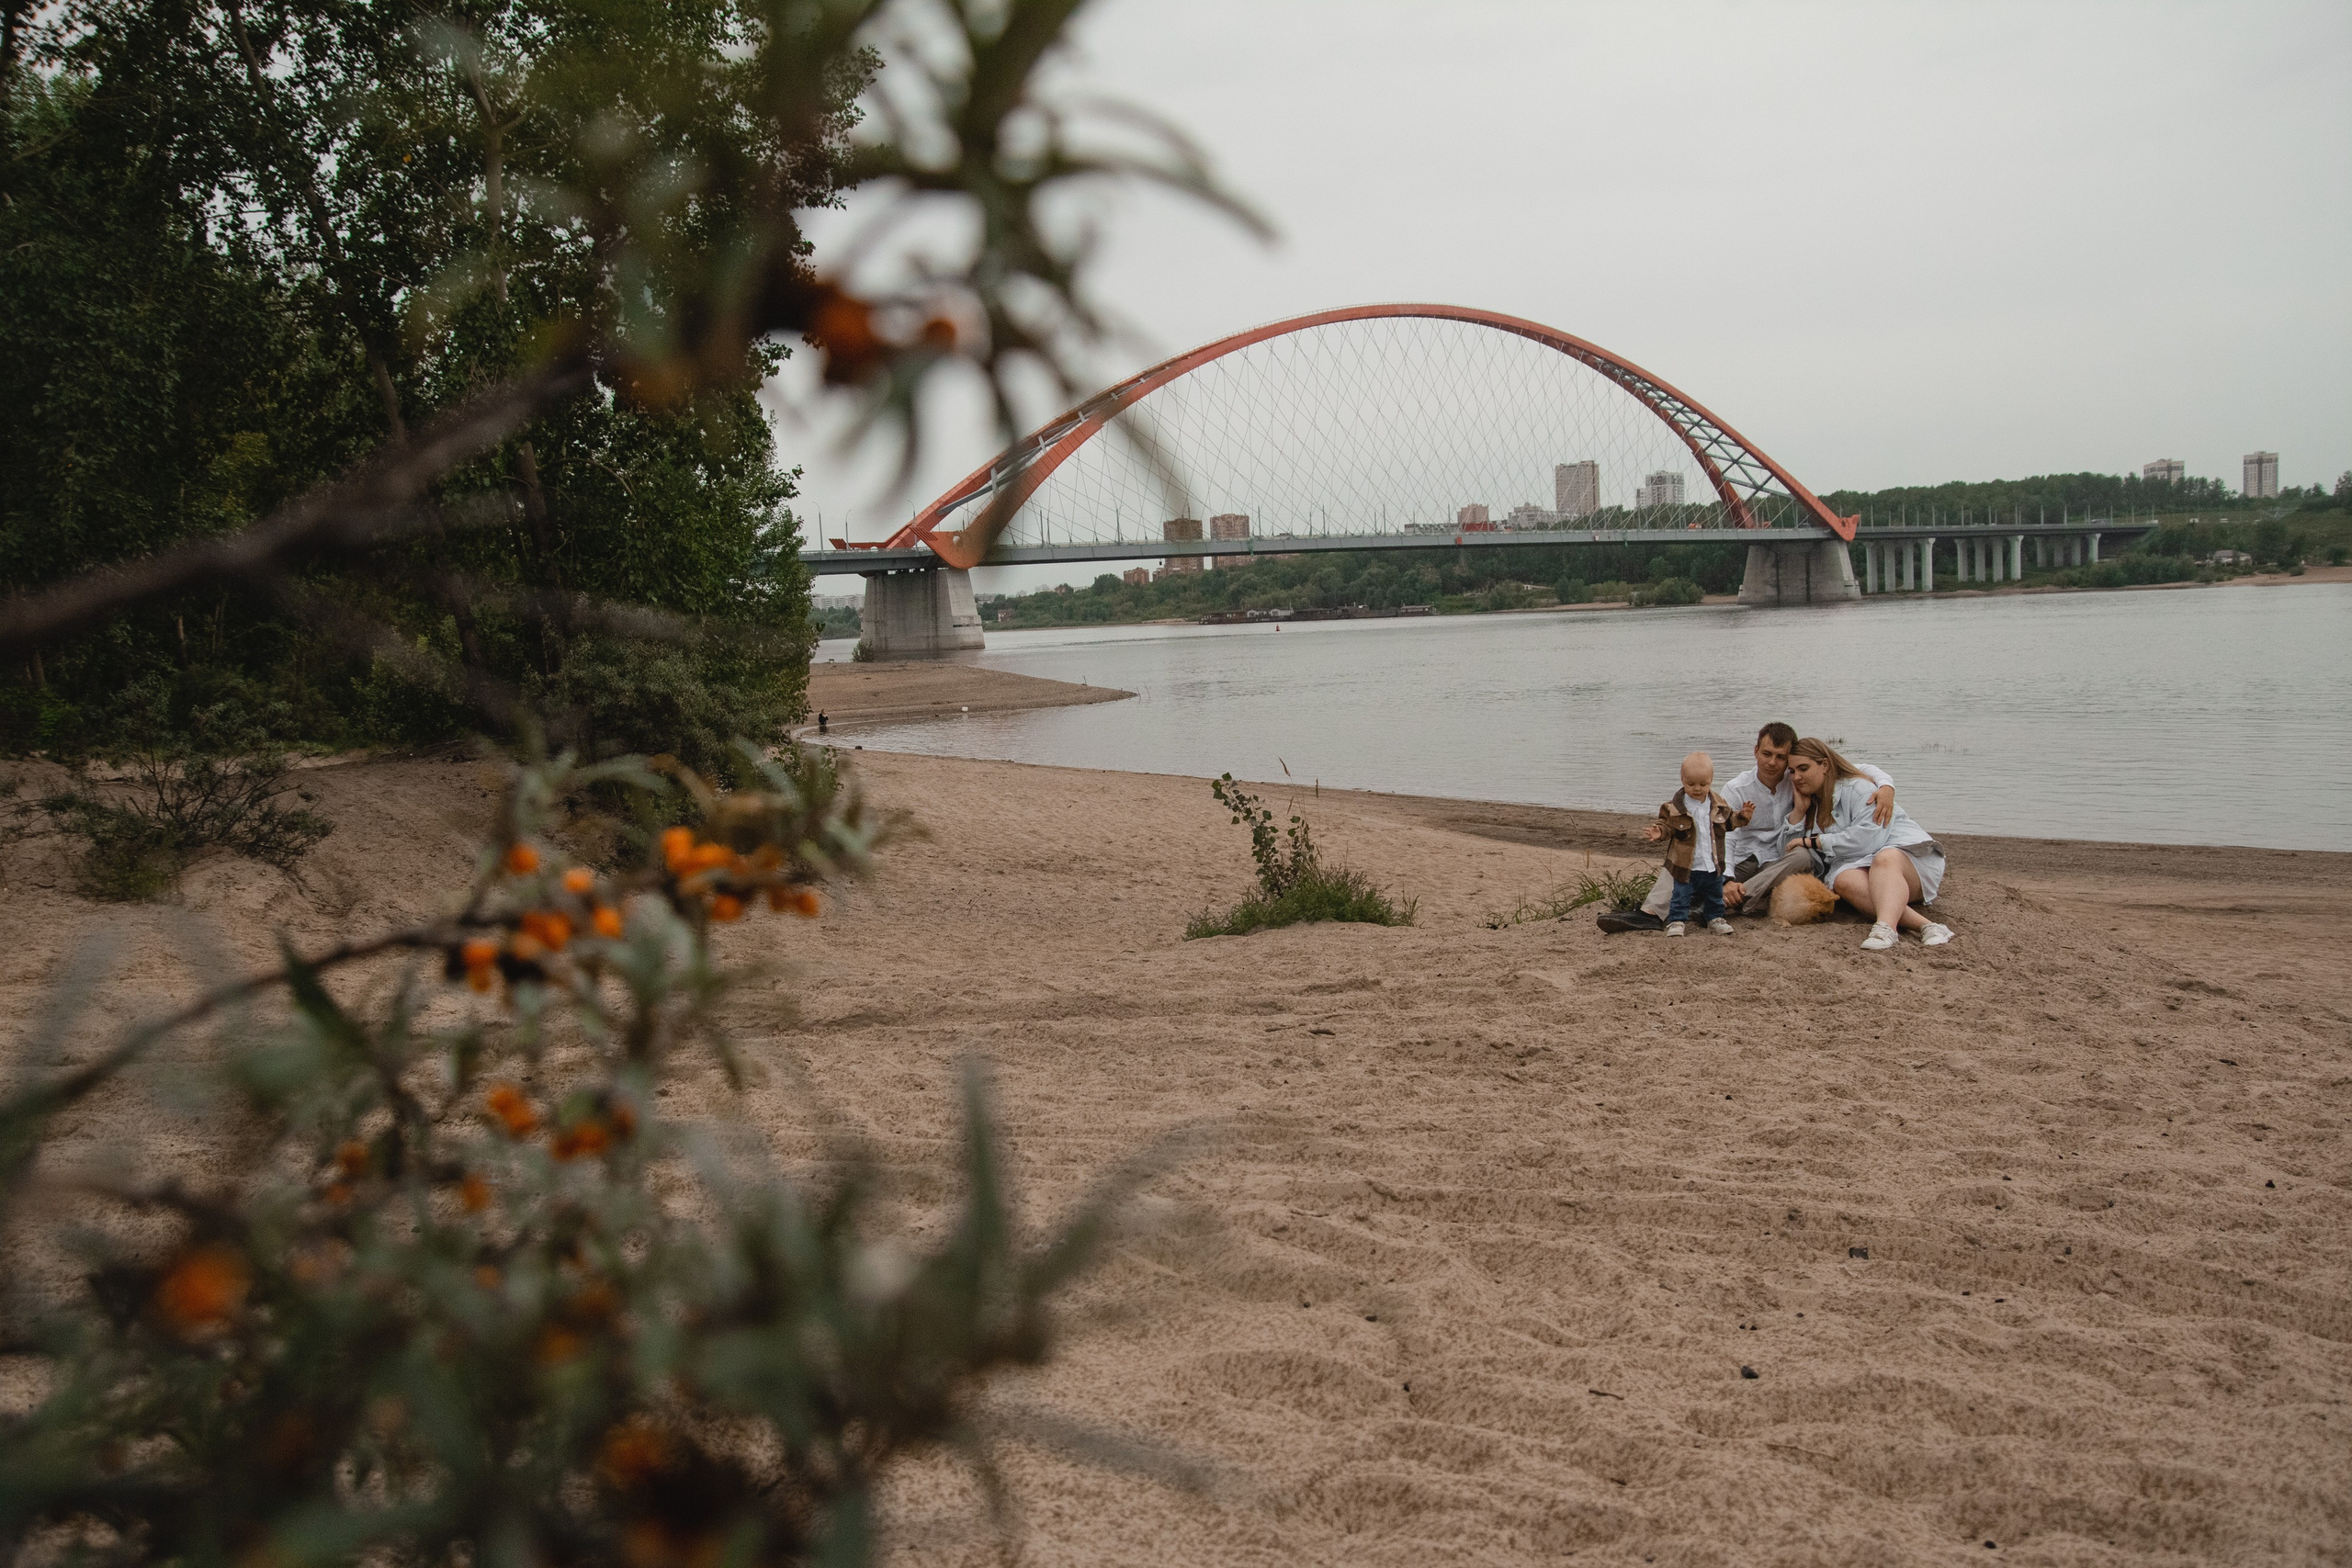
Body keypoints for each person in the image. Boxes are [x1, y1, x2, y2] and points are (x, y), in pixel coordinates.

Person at [1604, 723, 1896, 932]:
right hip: (1745, 859)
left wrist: (1885, 785)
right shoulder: (1736, 789)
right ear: (1755, 750)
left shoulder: (1798, 781)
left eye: (1781, 757)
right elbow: (1722, 838)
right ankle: (1650, 913)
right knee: (1690, 848)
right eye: (1767, 753)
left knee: (1804, 856)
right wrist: (1727, 878)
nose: (1773, 762)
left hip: (1783, 861)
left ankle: (1724, 901)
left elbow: (1849, 767)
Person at [1783, 737, 1954, 952]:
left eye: (1803, 768)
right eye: (1792, 771)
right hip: (1864, 865)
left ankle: (1885, 928)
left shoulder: (1858, 788)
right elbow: (1788, 848)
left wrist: (1815, 841)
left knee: (1885, 859)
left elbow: (1867, 840)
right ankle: (1928, 926)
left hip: (1910, 860)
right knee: (1843, 880)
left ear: (1825, 765)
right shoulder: (1809, 803)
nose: (1797, 777)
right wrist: (1799, 812)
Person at [1646, 750, 1751, 937]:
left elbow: (1729, 823)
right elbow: (1667, 826)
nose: (1697, 789)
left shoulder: (1719, 805)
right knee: (1681, 895)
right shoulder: (1675, 808)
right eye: (1691, 784)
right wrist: (1659, 831)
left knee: (1714, 894)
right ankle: (1677, 921)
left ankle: (1715, 918)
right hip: (1686, 864)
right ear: (1682, 779)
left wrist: (1743, 816)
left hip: (1712, 863)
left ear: (1711, 780)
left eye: (1703, 784)